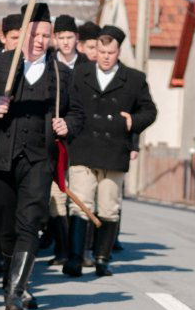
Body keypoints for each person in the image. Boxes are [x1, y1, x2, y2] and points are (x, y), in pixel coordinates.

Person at [0, 2, 84, 310]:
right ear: (24, 35)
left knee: (29, 222)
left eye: (47, 35)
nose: (41, 40)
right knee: (7, 226)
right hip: (1, 160)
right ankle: (12, 280)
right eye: (36, 34)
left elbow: (77, 113)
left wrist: (66, 124)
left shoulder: (63, 74)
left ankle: (16, 292)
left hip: (38, 161)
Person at [62, 25, 156, 277]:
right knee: (80, 204)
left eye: (110, 52)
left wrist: (132, 122)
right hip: (83, 148)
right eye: (101, 51)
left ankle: (102, 258)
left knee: (108, 206)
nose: (105, 56)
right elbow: (67, 104)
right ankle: (74, 258)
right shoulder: (80, 73)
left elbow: (149, 111)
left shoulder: (134, 78)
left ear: (118, 52)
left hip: (114, 151)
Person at [43, 14, 87, 264]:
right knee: (57, 196)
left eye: (70, 37)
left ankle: (80, 249)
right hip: (56, 142)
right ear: (55, 39)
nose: (66, 42)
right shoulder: (48, 64)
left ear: (77, 38)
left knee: (79, 197)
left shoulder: (87, 67)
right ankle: (61, 249)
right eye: (61, 37)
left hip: (80, 142)